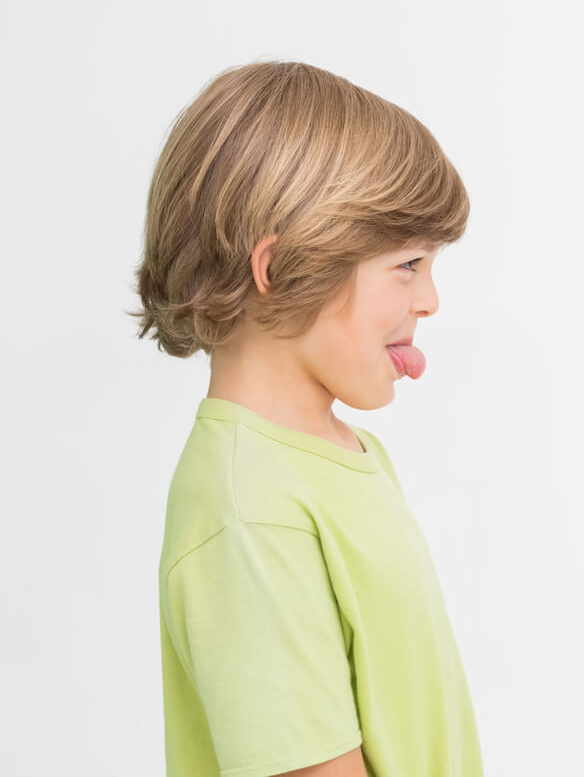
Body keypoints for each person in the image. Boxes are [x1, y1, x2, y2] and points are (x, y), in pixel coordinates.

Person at [134, 61, 482, 777]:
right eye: (409, 265)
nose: (430, 300)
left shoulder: (346, 455)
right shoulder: (251, 514)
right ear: (283, 265)